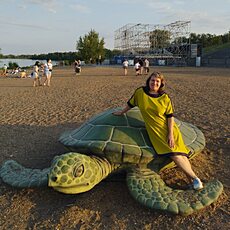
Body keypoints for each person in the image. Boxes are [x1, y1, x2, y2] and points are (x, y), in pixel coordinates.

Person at [113, 71, 203, 190]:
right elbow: (131, 104)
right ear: (148, 81)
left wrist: (170, 134)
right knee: (177, 155)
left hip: (169, 130)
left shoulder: (165, 98)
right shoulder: (140, 92)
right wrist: (121, 112)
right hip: (155, 131)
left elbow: (170, 116)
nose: (154, 83)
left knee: (177, 155)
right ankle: (192, 181)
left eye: (157, 81)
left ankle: (195, 178)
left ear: (161, 84)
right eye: (152, 80)